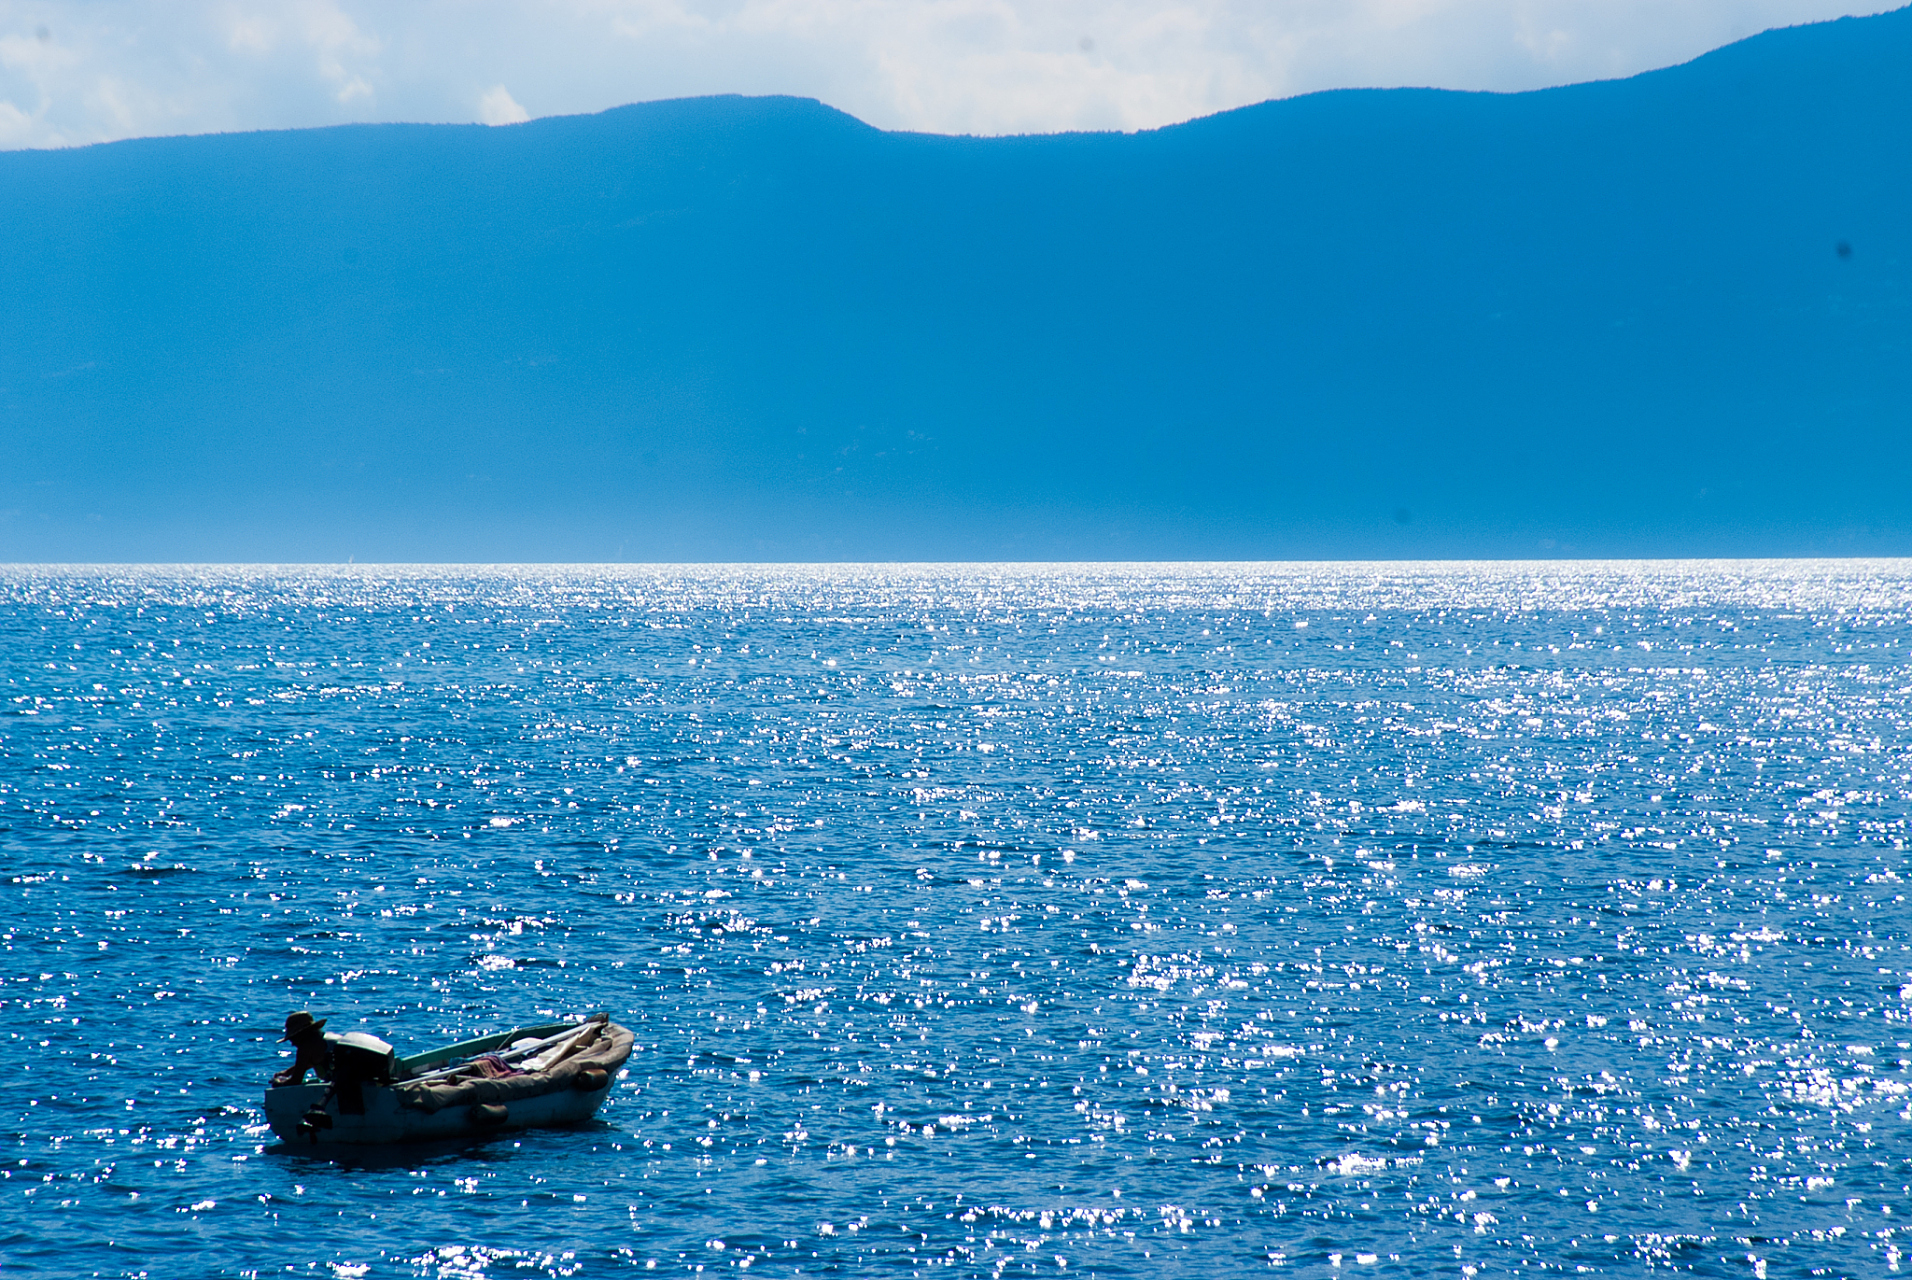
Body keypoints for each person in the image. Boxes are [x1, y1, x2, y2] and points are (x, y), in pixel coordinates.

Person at [271, 1010, 335, 1088]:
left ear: (301, 1035)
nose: (292, 1043)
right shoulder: (326, 1039)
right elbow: (311, 1062)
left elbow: (295, 1081)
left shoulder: (306, 1047)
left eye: (293, 1038)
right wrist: (288, 1072)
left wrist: (277, 1083)